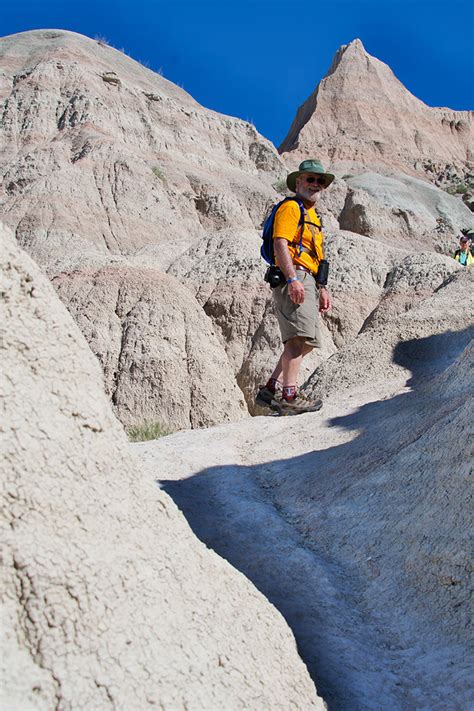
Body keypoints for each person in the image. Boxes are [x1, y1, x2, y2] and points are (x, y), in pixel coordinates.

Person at [256, 159, 334, 415]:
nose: (315, 184)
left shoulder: (312, 215)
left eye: (319, 181)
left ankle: (272, 388)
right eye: (310, 179)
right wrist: (292, 279)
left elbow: (317, 255)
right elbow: (281, 243)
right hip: (295, 276)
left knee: (308, 341)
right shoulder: (291, 208)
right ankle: (289, 395)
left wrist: (321, 287)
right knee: (297, 339)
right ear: (298, 181)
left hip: (309, 279)